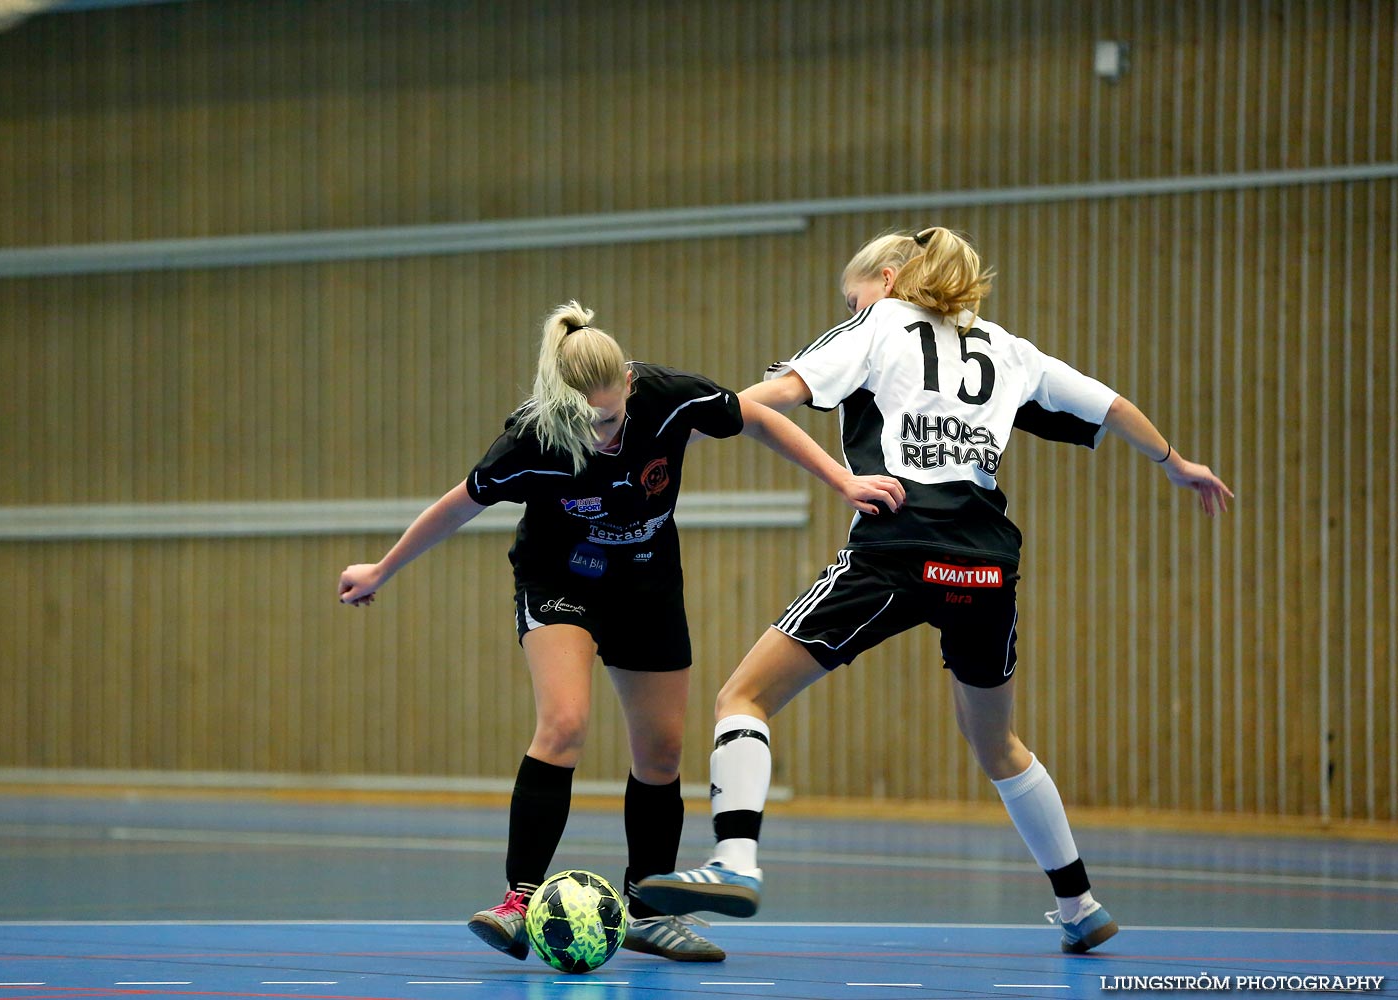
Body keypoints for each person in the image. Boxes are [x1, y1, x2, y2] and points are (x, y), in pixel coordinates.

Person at [637, 227, 1235, 954]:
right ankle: (1080, 902)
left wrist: (673, 432)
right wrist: (1175, 461)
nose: (849, 306)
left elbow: (777, 396)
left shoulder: (879, 322)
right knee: (999, 744)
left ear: (886, 280)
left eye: (850, 295)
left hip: (897, 547)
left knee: (743, 698)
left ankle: (735, 860)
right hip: (984, 566)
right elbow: (1108, 405)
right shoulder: (1005, 346)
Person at [337, 300, 903, 964]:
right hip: (560, 583)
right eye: (588, 422)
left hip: (646, 585)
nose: (604, 435)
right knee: (565, 724)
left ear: (629, 386)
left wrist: (841, 479)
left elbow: (754, 416)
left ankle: (647, 911)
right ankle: (519, 900)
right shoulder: (530, 441)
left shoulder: (666, 398)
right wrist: (382, 568)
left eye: (612, 417)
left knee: (661, 754)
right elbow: (455, 506)